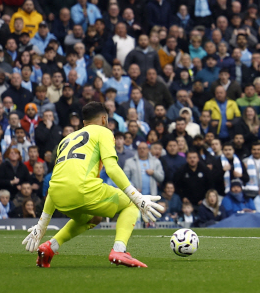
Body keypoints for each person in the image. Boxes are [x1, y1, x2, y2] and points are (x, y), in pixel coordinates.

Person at [21, 102, 164, 268]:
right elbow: (112, 168)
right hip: (83, 190)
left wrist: (42, 225)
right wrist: (136, 196)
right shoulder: (103, 131)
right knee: (131, 204)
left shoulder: (65, 140)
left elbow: (57, 181)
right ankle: (119, 250)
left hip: (58, 197)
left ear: (83, 123)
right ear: (104, 119)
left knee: (94, 218)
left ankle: (50, 246)